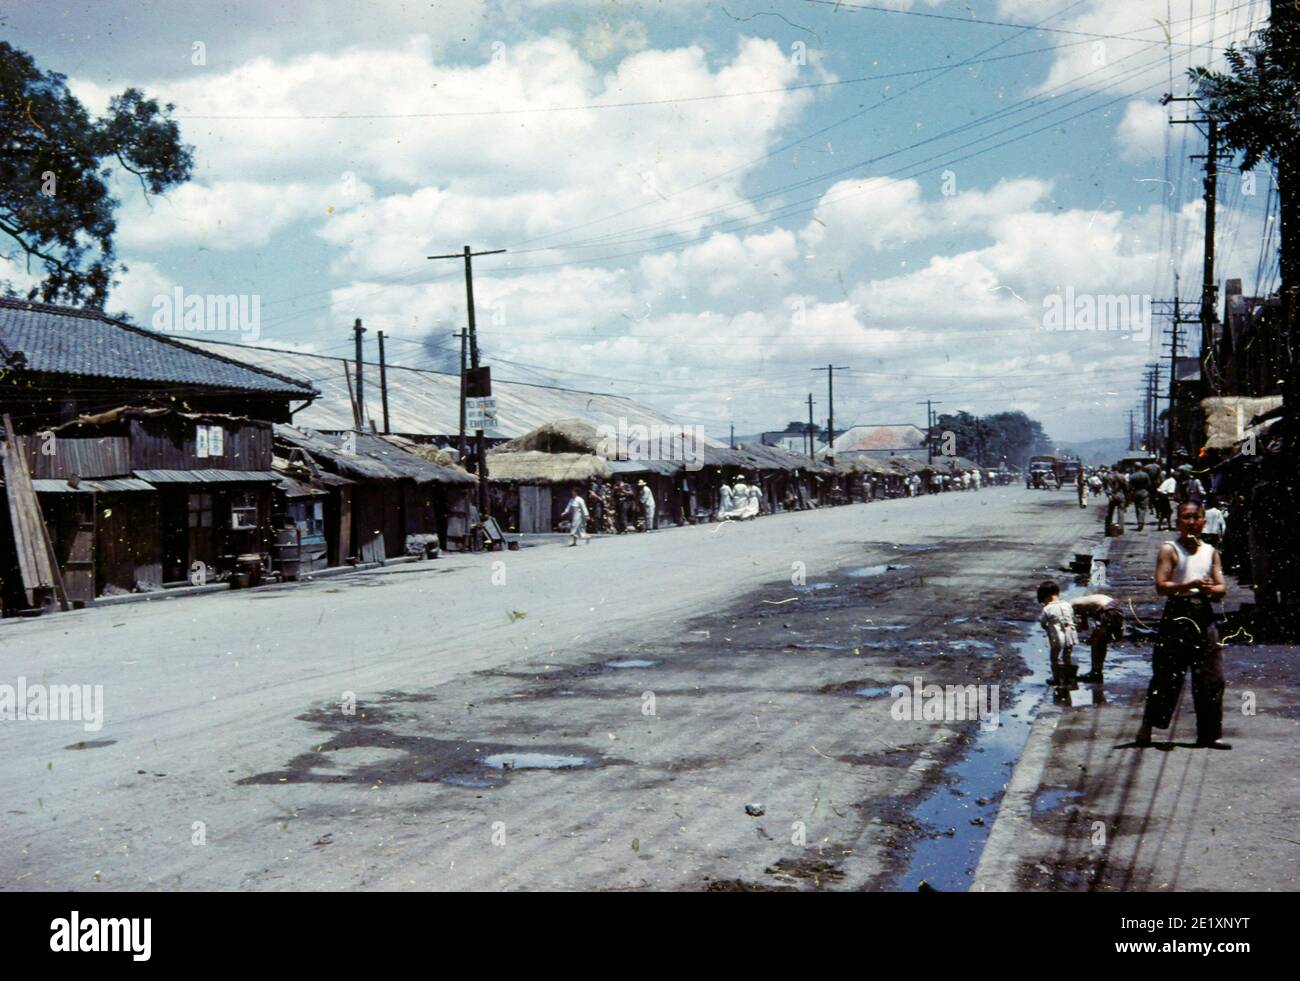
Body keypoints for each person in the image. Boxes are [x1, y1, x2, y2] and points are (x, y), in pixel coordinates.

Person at [1135, 501, 1229, 749]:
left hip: (1204, 614)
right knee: (1166, 676)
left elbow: (1221, 588)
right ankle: (1146, 728)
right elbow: (1161, 585)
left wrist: (1211, 589)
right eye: (1186, 518)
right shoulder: (1170, 549)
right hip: (1177, 614)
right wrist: (1189, 585)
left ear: (1203, 521)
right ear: (1178, 522)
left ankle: (1210, 734)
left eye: (1196, 517)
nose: (1191, 522)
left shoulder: (1211, 551)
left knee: (1212, 677)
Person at [1070, 593, 1125, 682]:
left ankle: (1095, 673)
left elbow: (1075, 626)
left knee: (1097, 641)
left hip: (1108, 609)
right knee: (1100, 642)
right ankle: (1097, 672)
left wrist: (1090, 638)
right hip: (1113, 605)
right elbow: (1084, 626)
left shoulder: (1071, 607)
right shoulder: (1080, 603)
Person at [1037, 580, 1078, 684]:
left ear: (1046, 597)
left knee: (1054, 657)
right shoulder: (1067, 604)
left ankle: (1056, 679)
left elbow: (1042, 622)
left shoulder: (1047, 608)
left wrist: (1047, 628)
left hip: (1057, 636)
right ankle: (1068, 678)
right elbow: (1073, 618)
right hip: (1071, 634)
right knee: (1067, 655)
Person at [1127, 465, 1150, 531]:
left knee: (1137, 508)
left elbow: (1129, 486)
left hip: (1136, 492)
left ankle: (1139, 522)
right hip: (1144, 492)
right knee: (1143, 508)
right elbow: (1149, 484)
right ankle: (1141, 522)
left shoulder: (1133, 475)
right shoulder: (1145, 475)